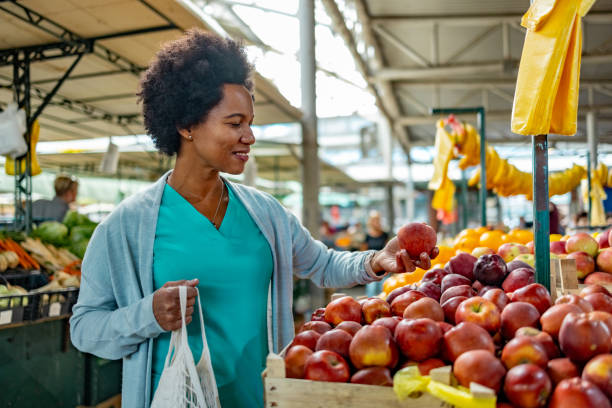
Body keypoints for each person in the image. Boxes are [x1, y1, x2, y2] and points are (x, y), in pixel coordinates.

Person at [69, 30, 436, 408]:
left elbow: (323, 264)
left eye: (250, 123)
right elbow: (84, 329)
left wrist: (376, 260)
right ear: (186, 126)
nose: (250, 136)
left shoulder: (264, 213)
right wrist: (148, 315)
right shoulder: (125, 228)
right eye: (234, 123)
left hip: (261, 398)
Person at [363, 211, 390, 297]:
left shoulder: (384, 235)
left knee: (383, 288)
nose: (376, 222)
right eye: (374, 220)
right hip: (370, 266)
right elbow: (363, 251)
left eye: (377, 219)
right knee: (371, 289)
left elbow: (388, 250)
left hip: (383, 266)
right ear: (370, 221)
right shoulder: (367, 236)